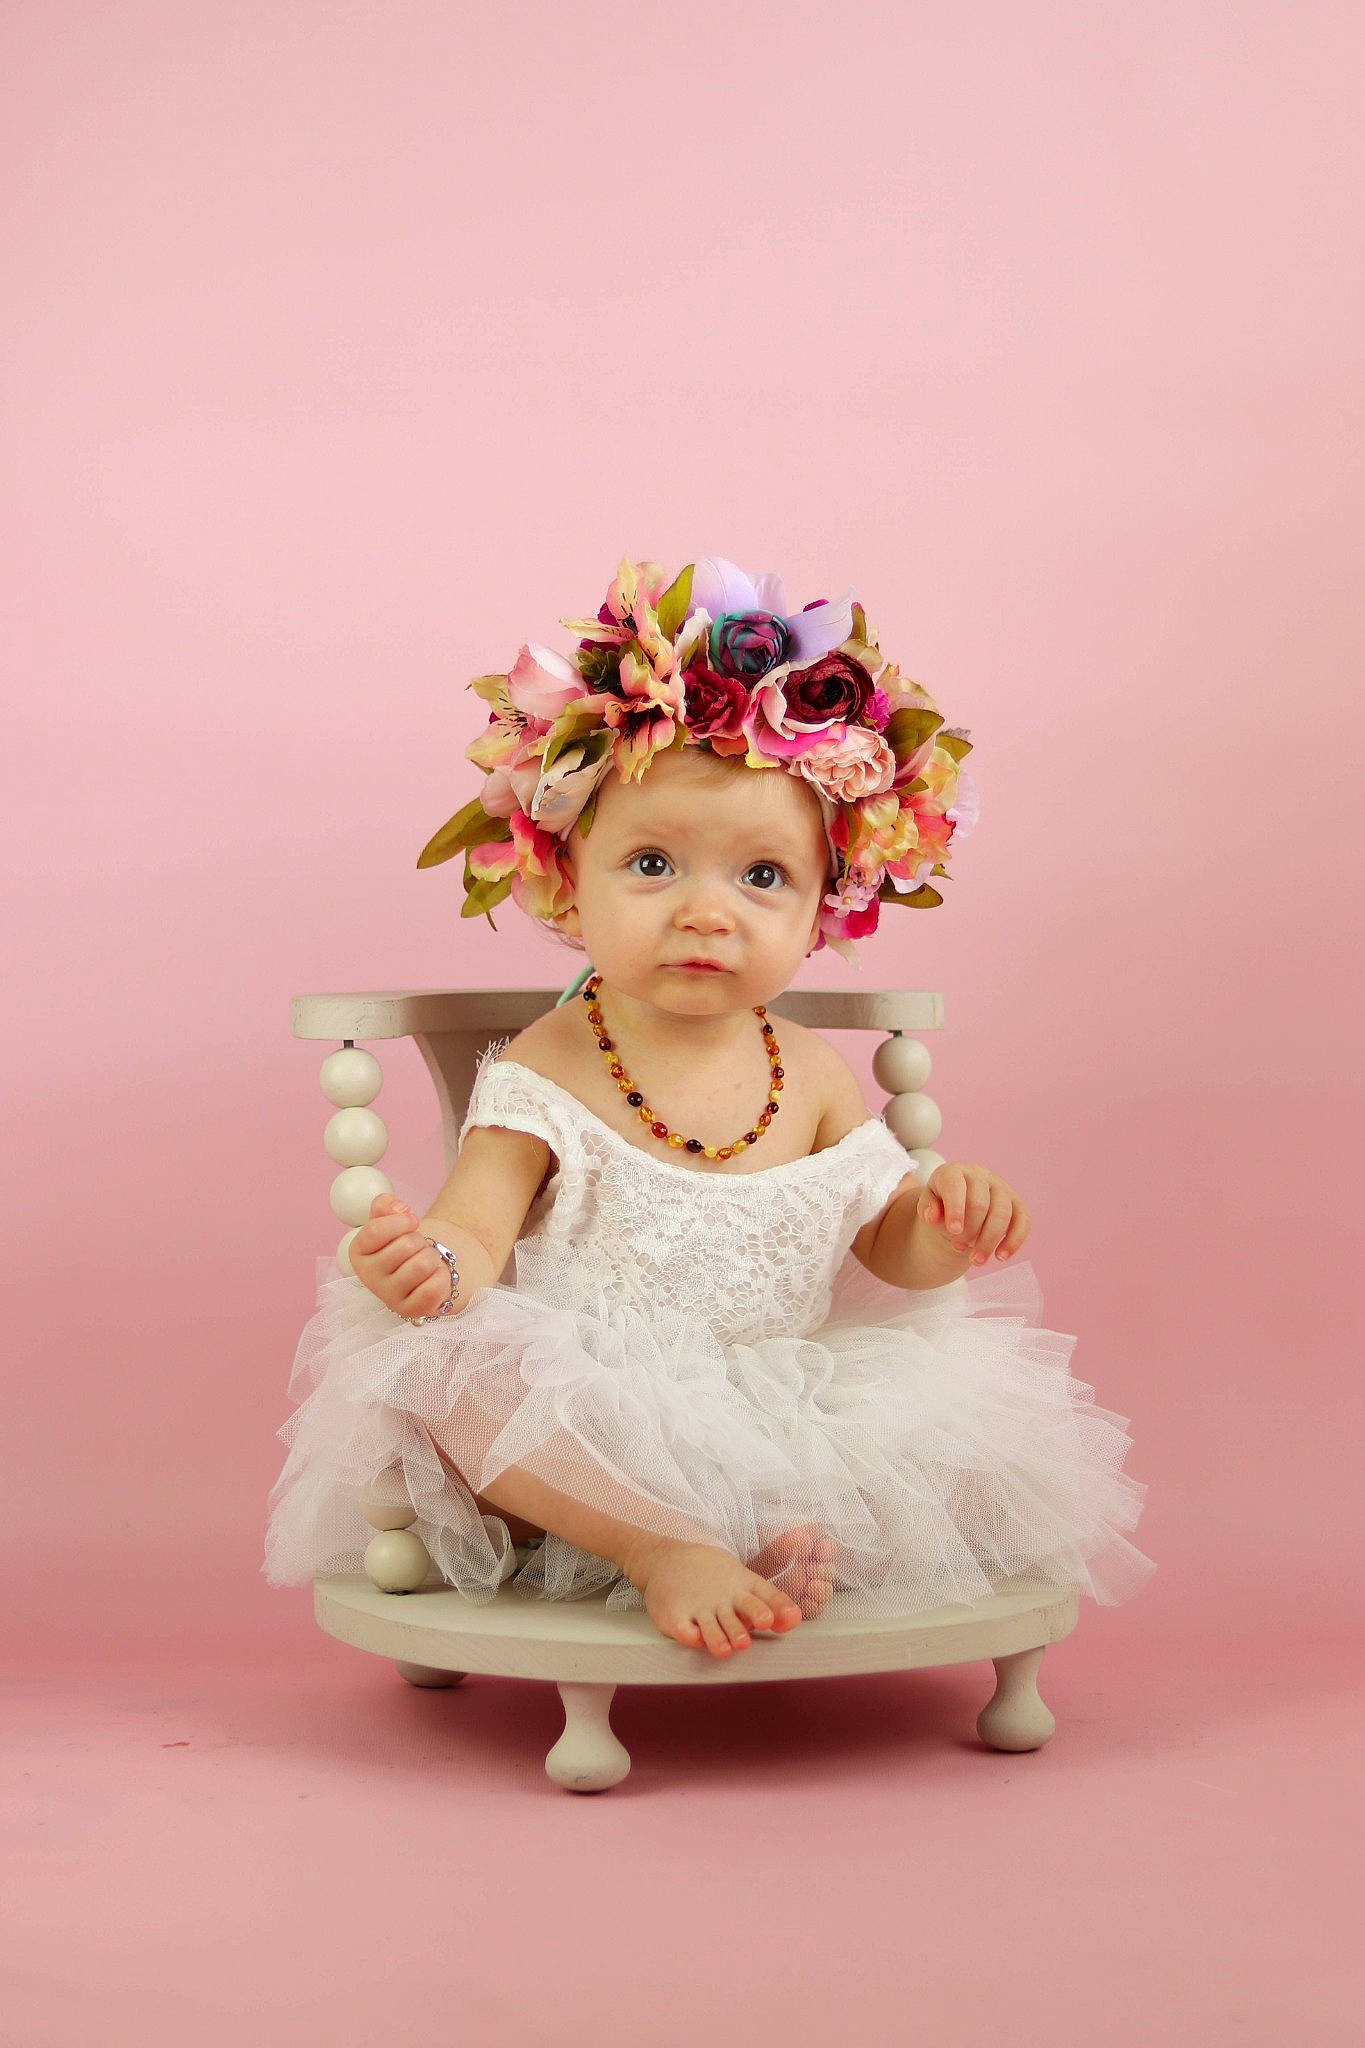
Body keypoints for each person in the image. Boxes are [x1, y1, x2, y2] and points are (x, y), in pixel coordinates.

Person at [264, 555, 1154, 1657]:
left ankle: (757, 1529)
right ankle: (660, 1540)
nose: (705, 912)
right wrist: (432, 1263)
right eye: (651, 862)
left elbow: (884, 1244)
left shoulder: (816, 1073)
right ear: (567, 879)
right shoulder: (547, 1062)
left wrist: (944, 1222)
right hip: (594, 1397)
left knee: (911, 1433)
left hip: (782, 1387)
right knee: (452, 1374)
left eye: (762, 877)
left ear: (830, 904)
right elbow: (478, 1224)